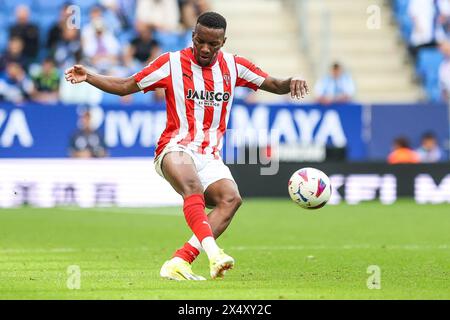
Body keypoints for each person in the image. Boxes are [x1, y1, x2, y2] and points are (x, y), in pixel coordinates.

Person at [64, 12, 309, 280]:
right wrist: (89, 76)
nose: (205, 48)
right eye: (200, 41)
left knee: (231, 199)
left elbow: (272, 83)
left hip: (209, 155)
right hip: (175, 147)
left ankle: (180, 261)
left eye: (212, 44)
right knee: (192, 187)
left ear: (223, 42)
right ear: (193, 36)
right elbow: (125, 86)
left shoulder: (234, 67)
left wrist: (291, 81)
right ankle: (215, 255)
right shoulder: (170, 63)